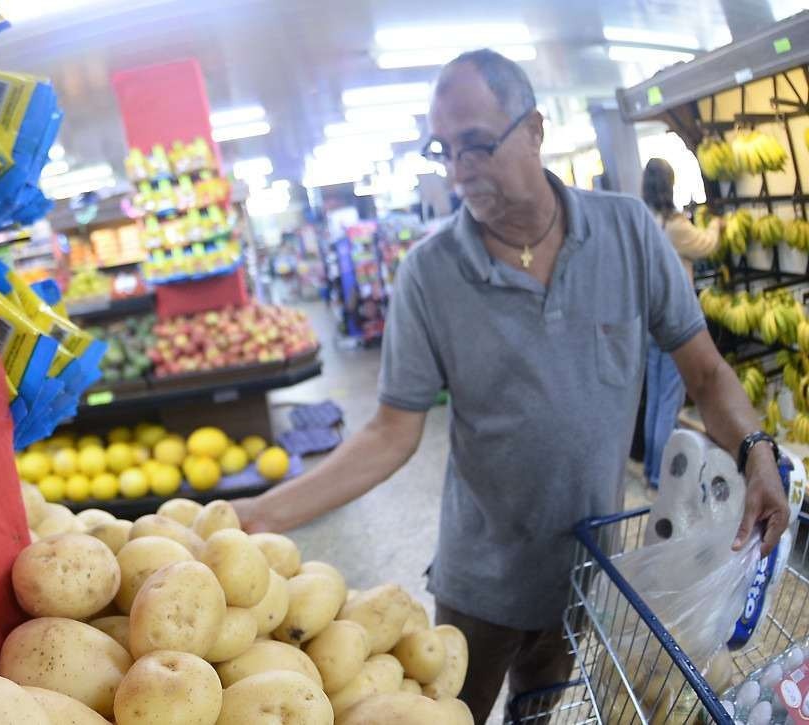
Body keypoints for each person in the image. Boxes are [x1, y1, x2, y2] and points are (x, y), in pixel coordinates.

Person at [233, 49, 789, 724]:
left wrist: (756, 449)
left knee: (539, 708)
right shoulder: (429, 276)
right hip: (480, 585)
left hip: (584, 571)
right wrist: (266, 513)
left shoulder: (629, 232)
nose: (460, 171)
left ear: (534, 129)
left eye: (476, 145)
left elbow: (704, 372)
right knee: (450, 713)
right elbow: (389, 432)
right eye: (446, 151)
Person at [640, 158, 721, 489]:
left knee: (656, 397)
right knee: (670, 402)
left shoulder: (645, 219)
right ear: (669, 186)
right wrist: (717, 226)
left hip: (651, 322)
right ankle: (661, 475)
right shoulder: (674, 225)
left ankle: (649, 468)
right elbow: (705, 245)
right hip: (674, 321)